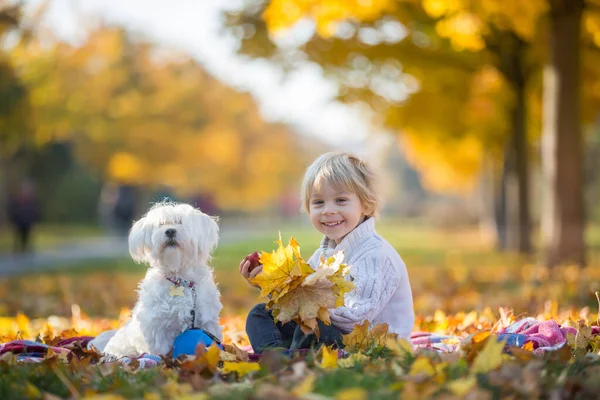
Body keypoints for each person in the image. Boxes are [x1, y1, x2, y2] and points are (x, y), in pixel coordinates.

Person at [240, 152, 414, 354]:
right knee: (261, 314)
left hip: (370, 346)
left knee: (312, 327)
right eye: (318, 202)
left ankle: (295, 357)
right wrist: (268, 283)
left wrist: (309, 308)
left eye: (340, 200)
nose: (328, 210)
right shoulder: (325, 253)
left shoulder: (375, 255)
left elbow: (356, 319)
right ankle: (276, 355)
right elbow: (300, 298)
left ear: (365, 204)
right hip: (332, 334)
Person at [8, 180, 41, 253]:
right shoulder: (17, 200)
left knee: (26, 239)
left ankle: (26, 252)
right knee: (18, 238)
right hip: (19, 222)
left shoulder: (32, 201)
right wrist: (13, 222)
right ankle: (17, 252)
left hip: (28, 223)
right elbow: (13, 212)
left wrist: (35, 222)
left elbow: (35, 213)